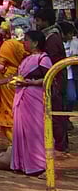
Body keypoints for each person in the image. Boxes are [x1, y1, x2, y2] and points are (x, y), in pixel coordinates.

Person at [0, 30, 54, 175]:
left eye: (26, 40)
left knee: (35, 132)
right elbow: (16, 76)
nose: (24, 43)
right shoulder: (26, 59)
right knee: (21, 131)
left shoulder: (43, 58)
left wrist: (31, 83)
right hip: (22, 98)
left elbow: (49, 79)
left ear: (35, 43)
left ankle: (39, 165)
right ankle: (23, 164)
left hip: (35, 99)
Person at [34, 8, 70, 151]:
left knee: (56, 116)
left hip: (55, 81)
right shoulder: (50, 36)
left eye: (38, 20)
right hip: (55, 79)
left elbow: (53, 62)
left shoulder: (52, 38)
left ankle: (60, 146)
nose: (36, 23)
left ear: (45, 21)